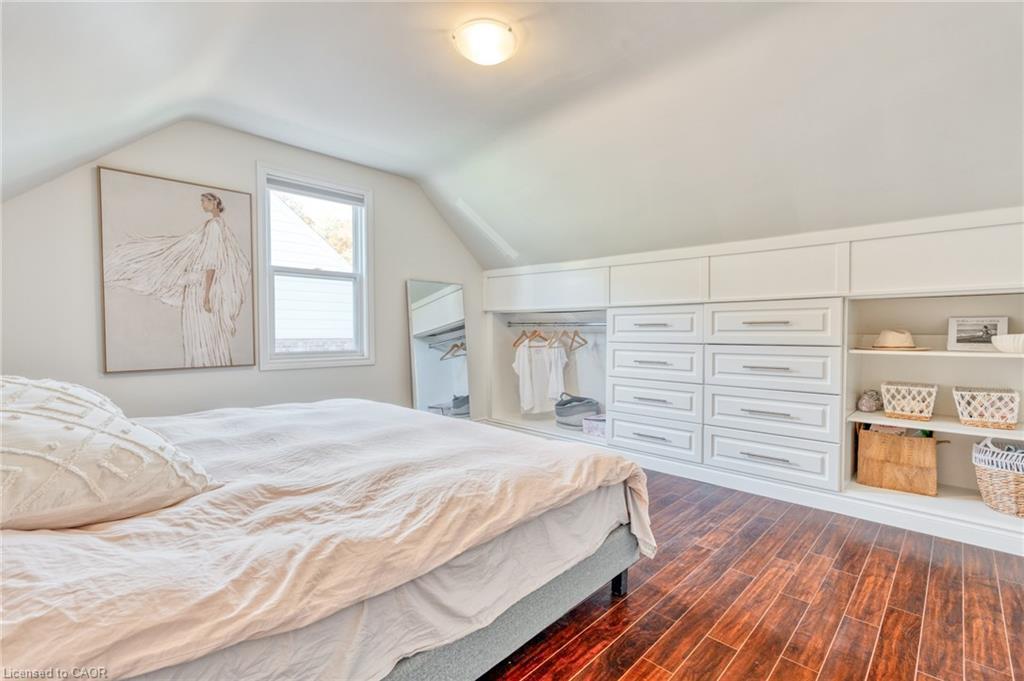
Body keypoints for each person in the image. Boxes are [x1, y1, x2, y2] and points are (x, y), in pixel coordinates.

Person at [104, 192, 250, 367]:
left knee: (201, 334)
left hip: (201, 288)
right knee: (207, 335)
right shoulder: (219, 226)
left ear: (214, 202)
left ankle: (205, 366)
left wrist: (207, 295)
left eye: (204, 201)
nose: (202, 204)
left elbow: (212, 263)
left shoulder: (214, 226)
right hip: (202, 285)